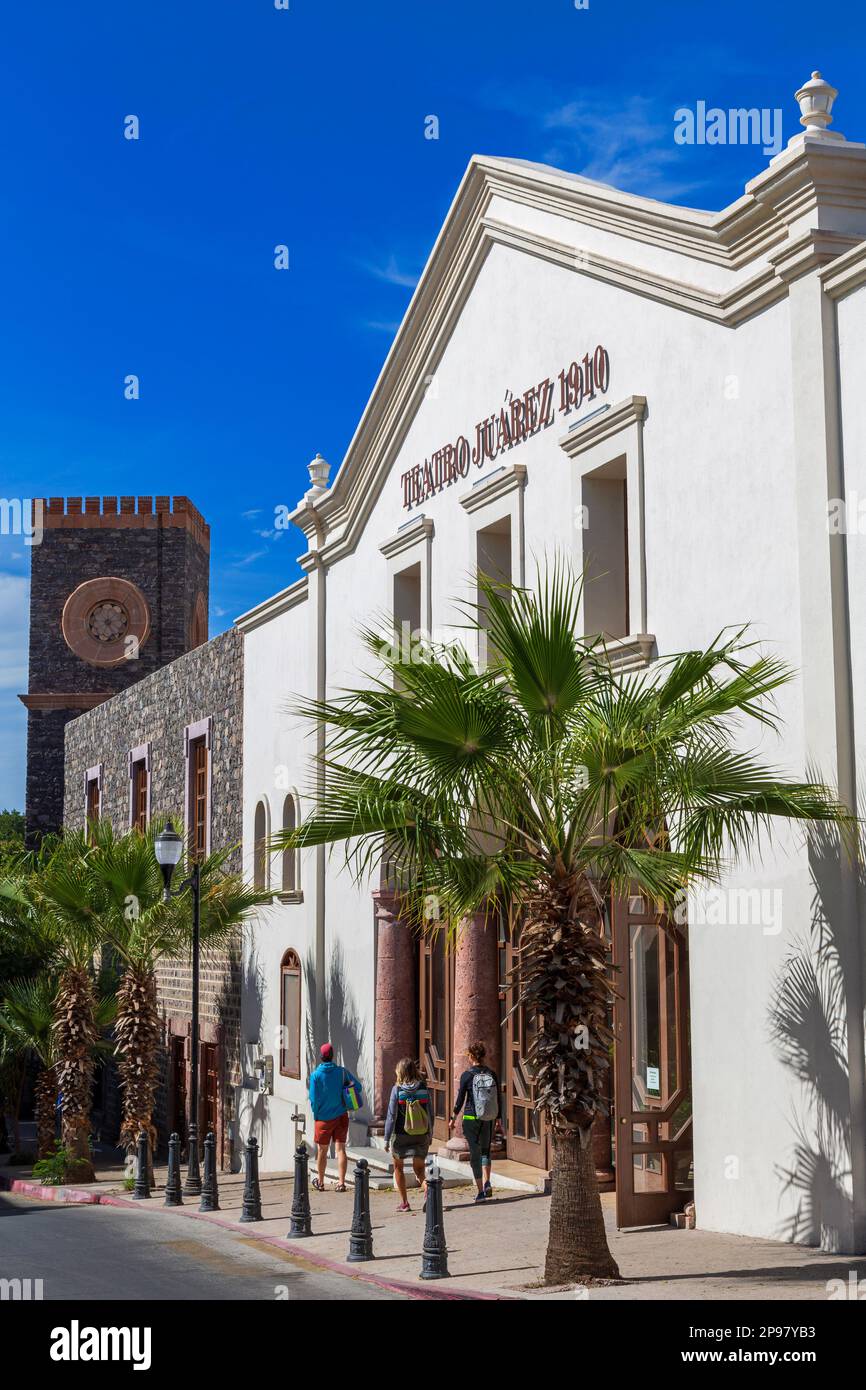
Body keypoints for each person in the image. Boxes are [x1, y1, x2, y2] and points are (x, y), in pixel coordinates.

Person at [448, 1040, 500, 1202]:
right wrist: (498, 1118)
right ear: (483, 1056)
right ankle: (487, 1181)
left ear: (471, 1056)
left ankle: (480, 1192)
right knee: (486, 1151)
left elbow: (460, 1100)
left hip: (471, 1117)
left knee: (474, 1154)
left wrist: (453, 1118)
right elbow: (498, 1098)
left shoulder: (467, 1075)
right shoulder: (492, 1074)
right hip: (488, 1118)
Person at [308, 1042, 360, 1192]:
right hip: (341, 1115)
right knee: (341, 1149)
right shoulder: (342, 1072)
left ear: (321, 1057)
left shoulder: (316, 1075)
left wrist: (317, 1114)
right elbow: (358, 1087)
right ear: (333, 1056)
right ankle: (341, 1183)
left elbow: (313, 1099)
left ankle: (321, 1182)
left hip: (323, 1118)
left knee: (322, 1151)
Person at [383, 1057, 434, 1213]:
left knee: (398, 1168)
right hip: (421, 1134)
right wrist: (430, 1134)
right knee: (419, 1170)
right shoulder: (424, 1088)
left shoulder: (397, 1090)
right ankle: (428, 1193)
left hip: (400, 1135)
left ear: (400, 1072)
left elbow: (391, 1116)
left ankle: (405, 1203)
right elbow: (430, 1114)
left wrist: (386, 1138)